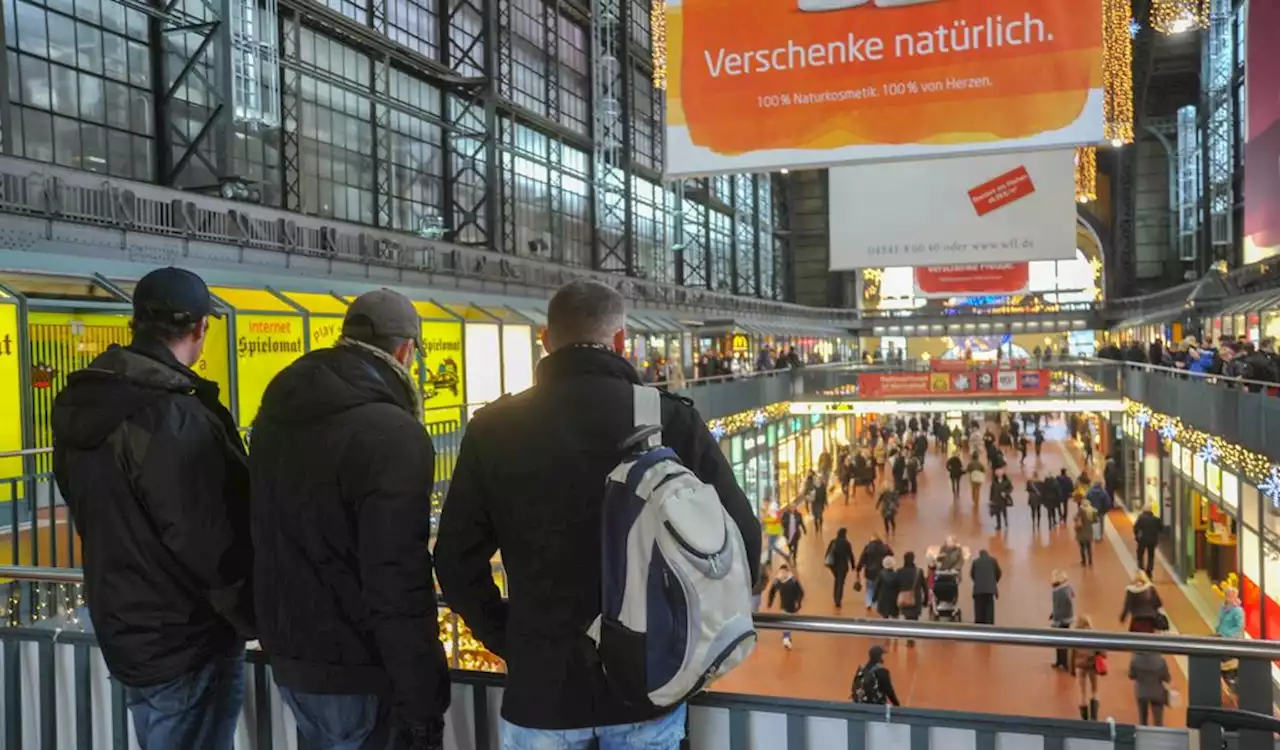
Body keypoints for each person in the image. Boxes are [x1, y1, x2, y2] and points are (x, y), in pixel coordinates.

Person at [433, 280, 761, 746]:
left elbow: (453, 559)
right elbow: (742, 541)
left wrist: (507, 638)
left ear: (545, 340)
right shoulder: (668, 419)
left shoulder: (493, 429)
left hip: (541, 689)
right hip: (649, 684)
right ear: (622, 340)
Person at [51, 267, 253, 750]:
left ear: (135, 321)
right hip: (186, 639)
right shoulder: (172, 416)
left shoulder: (87, 402)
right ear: (202, 328)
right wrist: (253, 615)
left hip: (127, 630)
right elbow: (210, 541)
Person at [249, 288, 451, 749]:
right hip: (359, 667)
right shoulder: (393, 434)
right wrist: (423, 694)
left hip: (292, 658)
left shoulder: (277, 414)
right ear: (405, 350)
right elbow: (396, 576)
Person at [1070, 615, 1105, 720]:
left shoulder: (1075, 636)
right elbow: (1103, 651)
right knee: (1094, 690)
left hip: (1080, 665)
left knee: (1082, 692)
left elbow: (1071, 653)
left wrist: (1071, 668)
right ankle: (1094, 716)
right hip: (1092, 665)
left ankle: (1084, 718)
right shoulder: (1094, 634)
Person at [767, 564, 805, 650]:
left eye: (784, 572)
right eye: (781, 572)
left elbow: (801, 592)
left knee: (790, 622)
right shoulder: (778, 580)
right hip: (784, 605)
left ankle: (787, 637)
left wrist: (798, 602)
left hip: (793, 605)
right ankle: (786, 639)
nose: (782, 574)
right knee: (786, 621)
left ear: (787, 572)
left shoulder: (793, 581)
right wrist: (770, 602)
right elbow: (772, 591)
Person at [1129, 652, 1172, 726]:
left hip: (1141, 692)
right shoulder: (1160, 661)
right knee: (1158, 721)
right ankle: (1159, 735)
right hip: (1157, 693)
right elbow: (1167, 678)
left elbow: (1131, 676)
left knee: (1142, 719)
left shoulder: (1134, 660)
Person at [895, 552, 927, 647]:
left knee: (907, 618)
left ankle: (909, 636)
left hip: (904, 598)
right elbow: (924, 587)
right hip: (916, 599)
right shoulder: (919, 571)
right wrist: (926, 600)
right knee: (914, 619)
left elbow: (896, 586)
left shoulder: (899, 571)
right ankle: (912, 637)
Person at [857, 533, 893, 612]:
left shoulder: (867, 547)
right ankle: (877, 604)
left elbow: (862, 559)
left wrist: (858, 568)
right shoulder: (884, 547)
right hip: (881, 572)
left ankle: (868, 603)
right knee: (879, 588)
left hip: (869, 572)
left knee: (869, 588)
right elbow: (891, 554)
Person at [1050, 570, 1076, 671]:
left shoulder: (1059, 592)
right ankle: (1060, 661)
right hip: (1065, 618)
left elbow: (1061, 606)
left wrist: (1057, 618)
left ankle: (1064, 663)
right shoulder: (1067, 588)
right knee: (1060, 642)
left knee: (1061, 643)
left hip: (1061, 620)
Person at [826, 528, 857, 609]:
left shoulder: (833, 542)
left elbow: (827, 553)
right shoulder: (846, 543)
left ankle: (835, 597)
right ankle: (838, 600)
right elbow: (850, 555)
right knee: (841, 582)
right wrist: (853, 565)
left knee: (836, 581)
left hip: (833, 566)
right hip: (843, 566)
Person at [970, 550, 1002, 625]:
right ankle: (989, 623)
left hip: (978, 590)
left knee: (979, 608)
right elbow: (998, 573)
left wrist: (977, 581)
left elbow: (972, 574)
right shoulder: (993, 561)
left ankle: (979, 624)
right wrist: (993, 582)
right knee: (989, 607)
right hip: (990, 590)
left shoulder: (975, 562)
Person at [1134, 505, 1163, 577]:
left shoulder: (1141, 518)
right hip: (1152, 540)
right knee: (1151, 555)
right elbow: (1161, 529)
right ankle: (1149, 569)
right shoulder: (1156, 519)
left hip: (1142, 540)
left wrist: (1137, 537)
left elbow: (1136, 528)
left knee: (1140, 553)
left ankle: (1141, 567)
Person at [1074, 500, 1097, 567]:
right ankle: (1090, 561)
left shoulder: (1081, 511)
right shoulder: (1092, 511)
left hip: (1081, 532)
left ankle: (1084, 561)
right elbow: (1095, 521)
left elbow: (1077, 519)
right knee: (1089, 547)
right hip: (1089, 531)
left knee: (1082, 547)